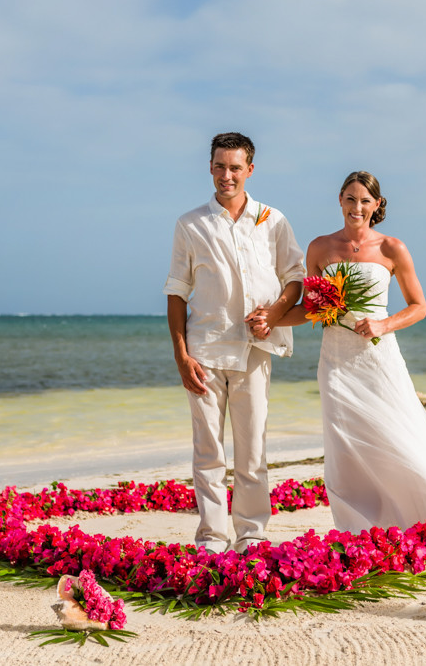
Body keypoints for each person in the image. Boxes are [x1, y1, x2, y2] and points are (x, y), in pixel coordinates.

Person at [249, 171, 426, 533]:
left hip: (379, 359)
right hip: (336, 362)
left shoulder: (392, 248)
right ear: (340, 200)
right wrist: (270, 321)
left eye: (365, 200)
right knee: (346, 447)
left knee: (399, 436)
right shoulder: (320, 248)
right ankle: (358, 529)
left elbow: (419, 306)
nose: (357, 207)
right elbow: (311, 309)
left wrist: (383, 325)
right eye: (350, 199)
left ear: (377, 205)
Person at [163, 132, 305, 553]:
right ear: (210, 167)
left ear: (250, 170)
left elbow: (295, 278)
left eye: (235, 167)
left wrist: (275, 314)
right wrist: (181, 355)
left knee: (253, 450)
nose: (227, 175)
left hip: (255, 351)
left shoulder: (272, 220)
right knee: (208, 453)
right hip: (203, 351)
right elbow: (176, 291)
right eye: (220, 166)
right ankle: (211, 536)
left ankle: (252, 536)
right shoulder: (190, 224)